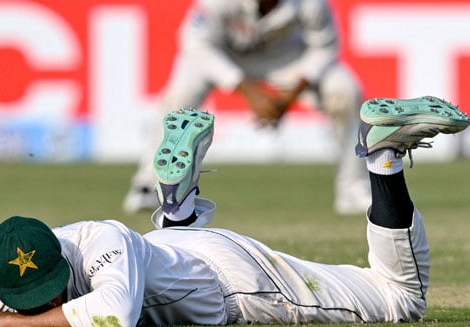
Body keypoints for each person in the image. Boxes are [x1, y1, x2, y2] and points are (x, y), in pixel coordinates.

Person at [0, 96, 469, 327]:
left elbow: (113, 312)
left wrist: (5, 326)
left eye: (48, 289)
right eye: (30, 297)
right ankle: (177, 207)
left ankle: (382, 156)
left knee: (399, 300)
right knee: (161, 262)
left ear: (61, 258)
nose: (42, 302)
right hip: (178, 252)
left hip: (237, 282)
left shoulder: (98, 240)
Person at [123, 0, 371, 215]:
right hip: (225, 55)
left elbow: (325, 48)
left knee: (345, 92)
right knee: (179, 97)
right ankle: (149, 185)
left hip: (288, 58)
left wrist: (290, 96)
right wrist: (248, 91)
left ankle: (353, 188)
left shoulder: (310, 3)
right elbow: (197, 46)